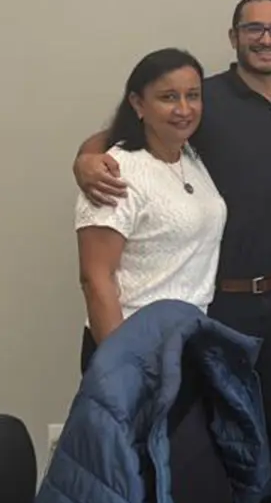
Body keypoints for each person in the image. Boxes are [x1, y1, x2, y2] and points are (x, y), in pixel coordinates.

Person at [74, 0, 271, 503]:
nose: (266, 39)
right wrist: (84, 160)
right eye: (254, 28)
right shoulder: (201, 98)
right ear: (234, 36)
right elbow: (118, 140)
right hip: (218, 307)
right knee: (202, 442)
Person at [74, 48, 226, 360]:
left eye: (192, 96)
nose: (183, 109)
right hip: (135, 347)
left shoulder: (189, 156)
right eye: (168, 97)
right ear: (138, 103)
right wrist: (124, 363)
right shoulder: (115, 171)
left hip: (189, 341)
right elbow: (95, 278)